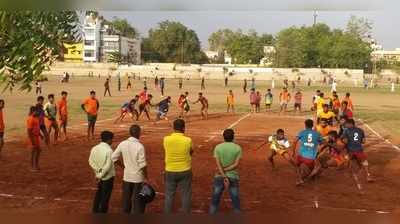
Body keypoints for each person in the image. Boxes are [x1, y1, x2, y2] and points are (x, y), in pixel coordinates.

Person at [112, 125, 148, 213]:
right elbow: (143, 165)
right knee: (138, 202)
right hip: (138, 178)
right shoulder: (140, 146)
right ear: (139, 133)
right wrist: (146, 177)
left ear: (130, 133)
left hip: (127, 177)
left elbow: (113, 158)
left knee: (126, 201)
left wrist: (122, 166)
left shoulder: (123, 143)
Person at [163, 119, 193, 213]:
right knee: (185, 196)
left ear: (173, 128)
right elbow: (191, 151)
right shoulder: (188, 140)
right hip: (185, 170)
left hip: (170, 170)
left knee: (169, 196)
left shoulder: (166, 139)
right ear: (183, 128)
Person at [209, 129, 242, 214]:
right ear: (233, 137)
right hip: (233, 176)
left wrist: (223, 174)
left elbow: (218, 164)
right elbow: (236, 164)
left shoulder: (218, 147)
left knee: (215, 199)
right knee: (236, 201)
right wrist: (226, 172)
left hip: (219, 176)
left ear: (223, 137)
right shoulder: (238, 148)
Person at [341, 119, 374, 188]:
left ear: (351, 124)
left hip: (350, 151)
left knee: (346, 160)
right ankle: (368, 175)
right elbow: (364, 141)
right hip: (359, 150)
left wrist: (344, 141)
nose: (346, 125)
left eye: (347, 124)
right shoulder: (360, 130)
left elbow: (344, 141)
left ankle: (347, 174)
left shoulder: (346, 131)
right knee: (365, 162)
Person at [89, 131, 115, 213]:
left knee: (98, 194)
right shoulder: (109, 150)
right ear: (108, 140)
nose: (112, 141)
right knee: (105, 197)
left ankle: (95, 211)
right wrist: (100, 175)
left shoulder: (94, 148)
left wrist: (97, 172)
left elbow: (90, 161)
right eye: (112, 139)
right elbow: (107, 167)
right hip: (107, 177)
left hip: (99, 175)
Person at [292, 119, 324, 186]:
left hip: (300, 156)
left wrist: (293, 152)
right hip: (311, 158)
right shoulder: (317, 134)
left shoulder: (302, 132)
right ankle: (309, 177)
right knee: (319, 166)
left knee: (297, 165)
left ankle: (300, 178)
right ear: (312, 125)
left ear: (305, 125)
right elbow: (323, 143)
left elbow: (294, 142)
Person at [27, 106, 41, 171]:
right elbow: (29, 131)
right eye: (37, 111)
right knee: (33, 152)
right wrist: (32, 141)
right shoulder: (31, 119)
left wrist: (40, 135)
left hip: (37, 137)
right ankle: (31, 167)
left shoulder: (36, 118)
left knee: (39, 150)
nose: (38, 112)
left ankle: (36, 165)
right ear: (33, 111)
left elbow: (37, 127)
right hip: (33, 137)